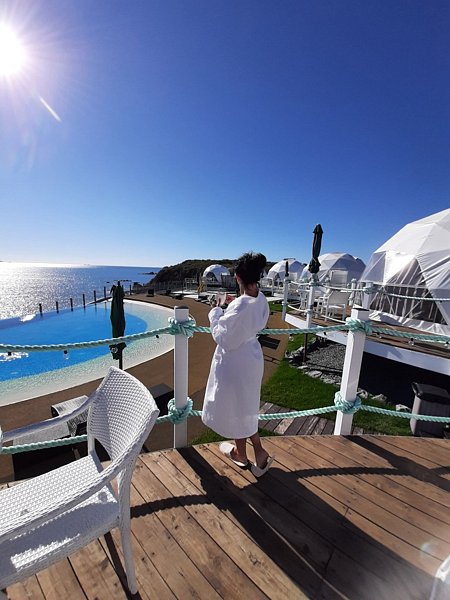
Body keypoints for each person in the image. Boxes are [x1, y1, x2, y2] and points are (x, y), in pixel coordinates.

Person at [202, 251, 274, 477]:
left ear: (238, 277)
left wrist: (215, 312)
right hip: (251, 358)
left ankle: (242, 453)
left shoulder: (241, 306)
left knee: (236, 406)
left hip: (235, 361)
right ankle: (254, 453)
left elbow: (224, 337)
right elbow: (245, 319)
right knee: (246, 406)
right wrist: (232, 308)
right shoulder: (260, 299)